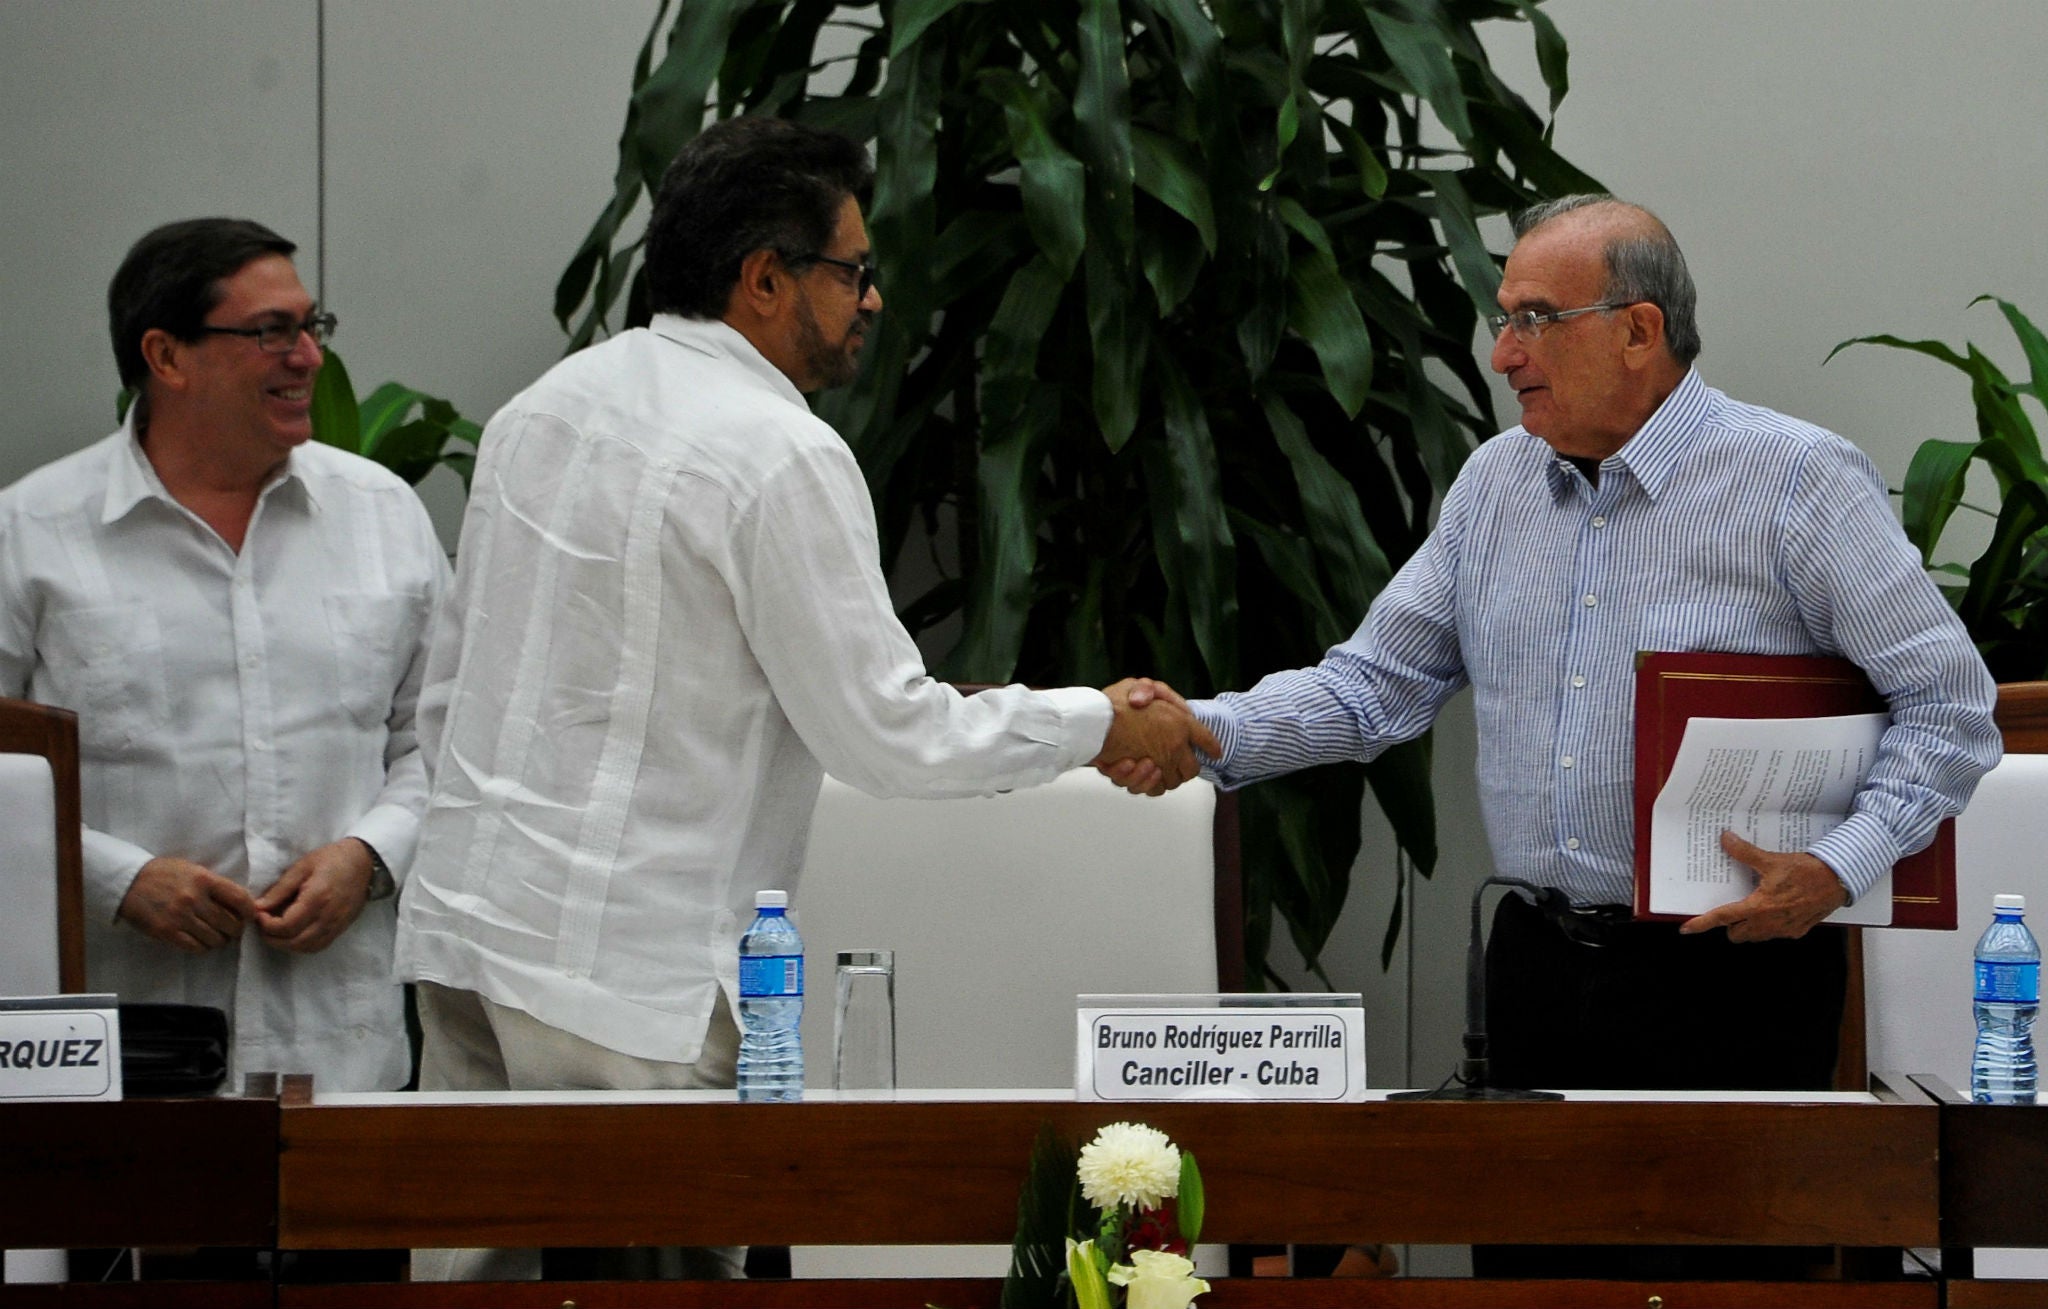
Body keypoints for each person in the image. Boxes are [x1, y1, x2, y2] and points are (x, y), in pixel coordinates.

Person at [394, 116, 1212, 1282]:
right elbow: (886, 732)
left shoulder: (542, 408)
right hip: (628, 993)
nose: (872, 301)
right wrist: (1096, 722)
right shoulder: (774, 448)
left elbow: (451, 692)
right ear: (764, 279)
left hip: (471, 942)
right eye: (853, 272)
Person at [1121, 195, 2001, 1275]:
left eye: (1535, 318)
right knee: (1532, 1289)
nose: (1501, 353)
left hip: (1724, 974)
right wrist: (1202, 729)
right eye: (1502, 319)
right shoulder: (1494, 488)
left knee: (1720, 1292)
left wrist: (1834, 866)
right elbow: (1371, 685)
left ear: (1637, 329)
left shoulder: (1795, 483)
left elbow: (1949, 706)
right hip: (1535, 970)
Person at [0, 218, 449, 1092]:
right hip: (115, 1064)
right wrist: (115, 880)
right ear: (166, 356)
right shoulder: (30, 535)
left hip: (341, 1058)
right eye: (270, 332)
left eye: (310, 327)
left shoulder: (383, 516)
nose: (308, 359)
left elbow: (447, 738)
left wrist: (371, 853)